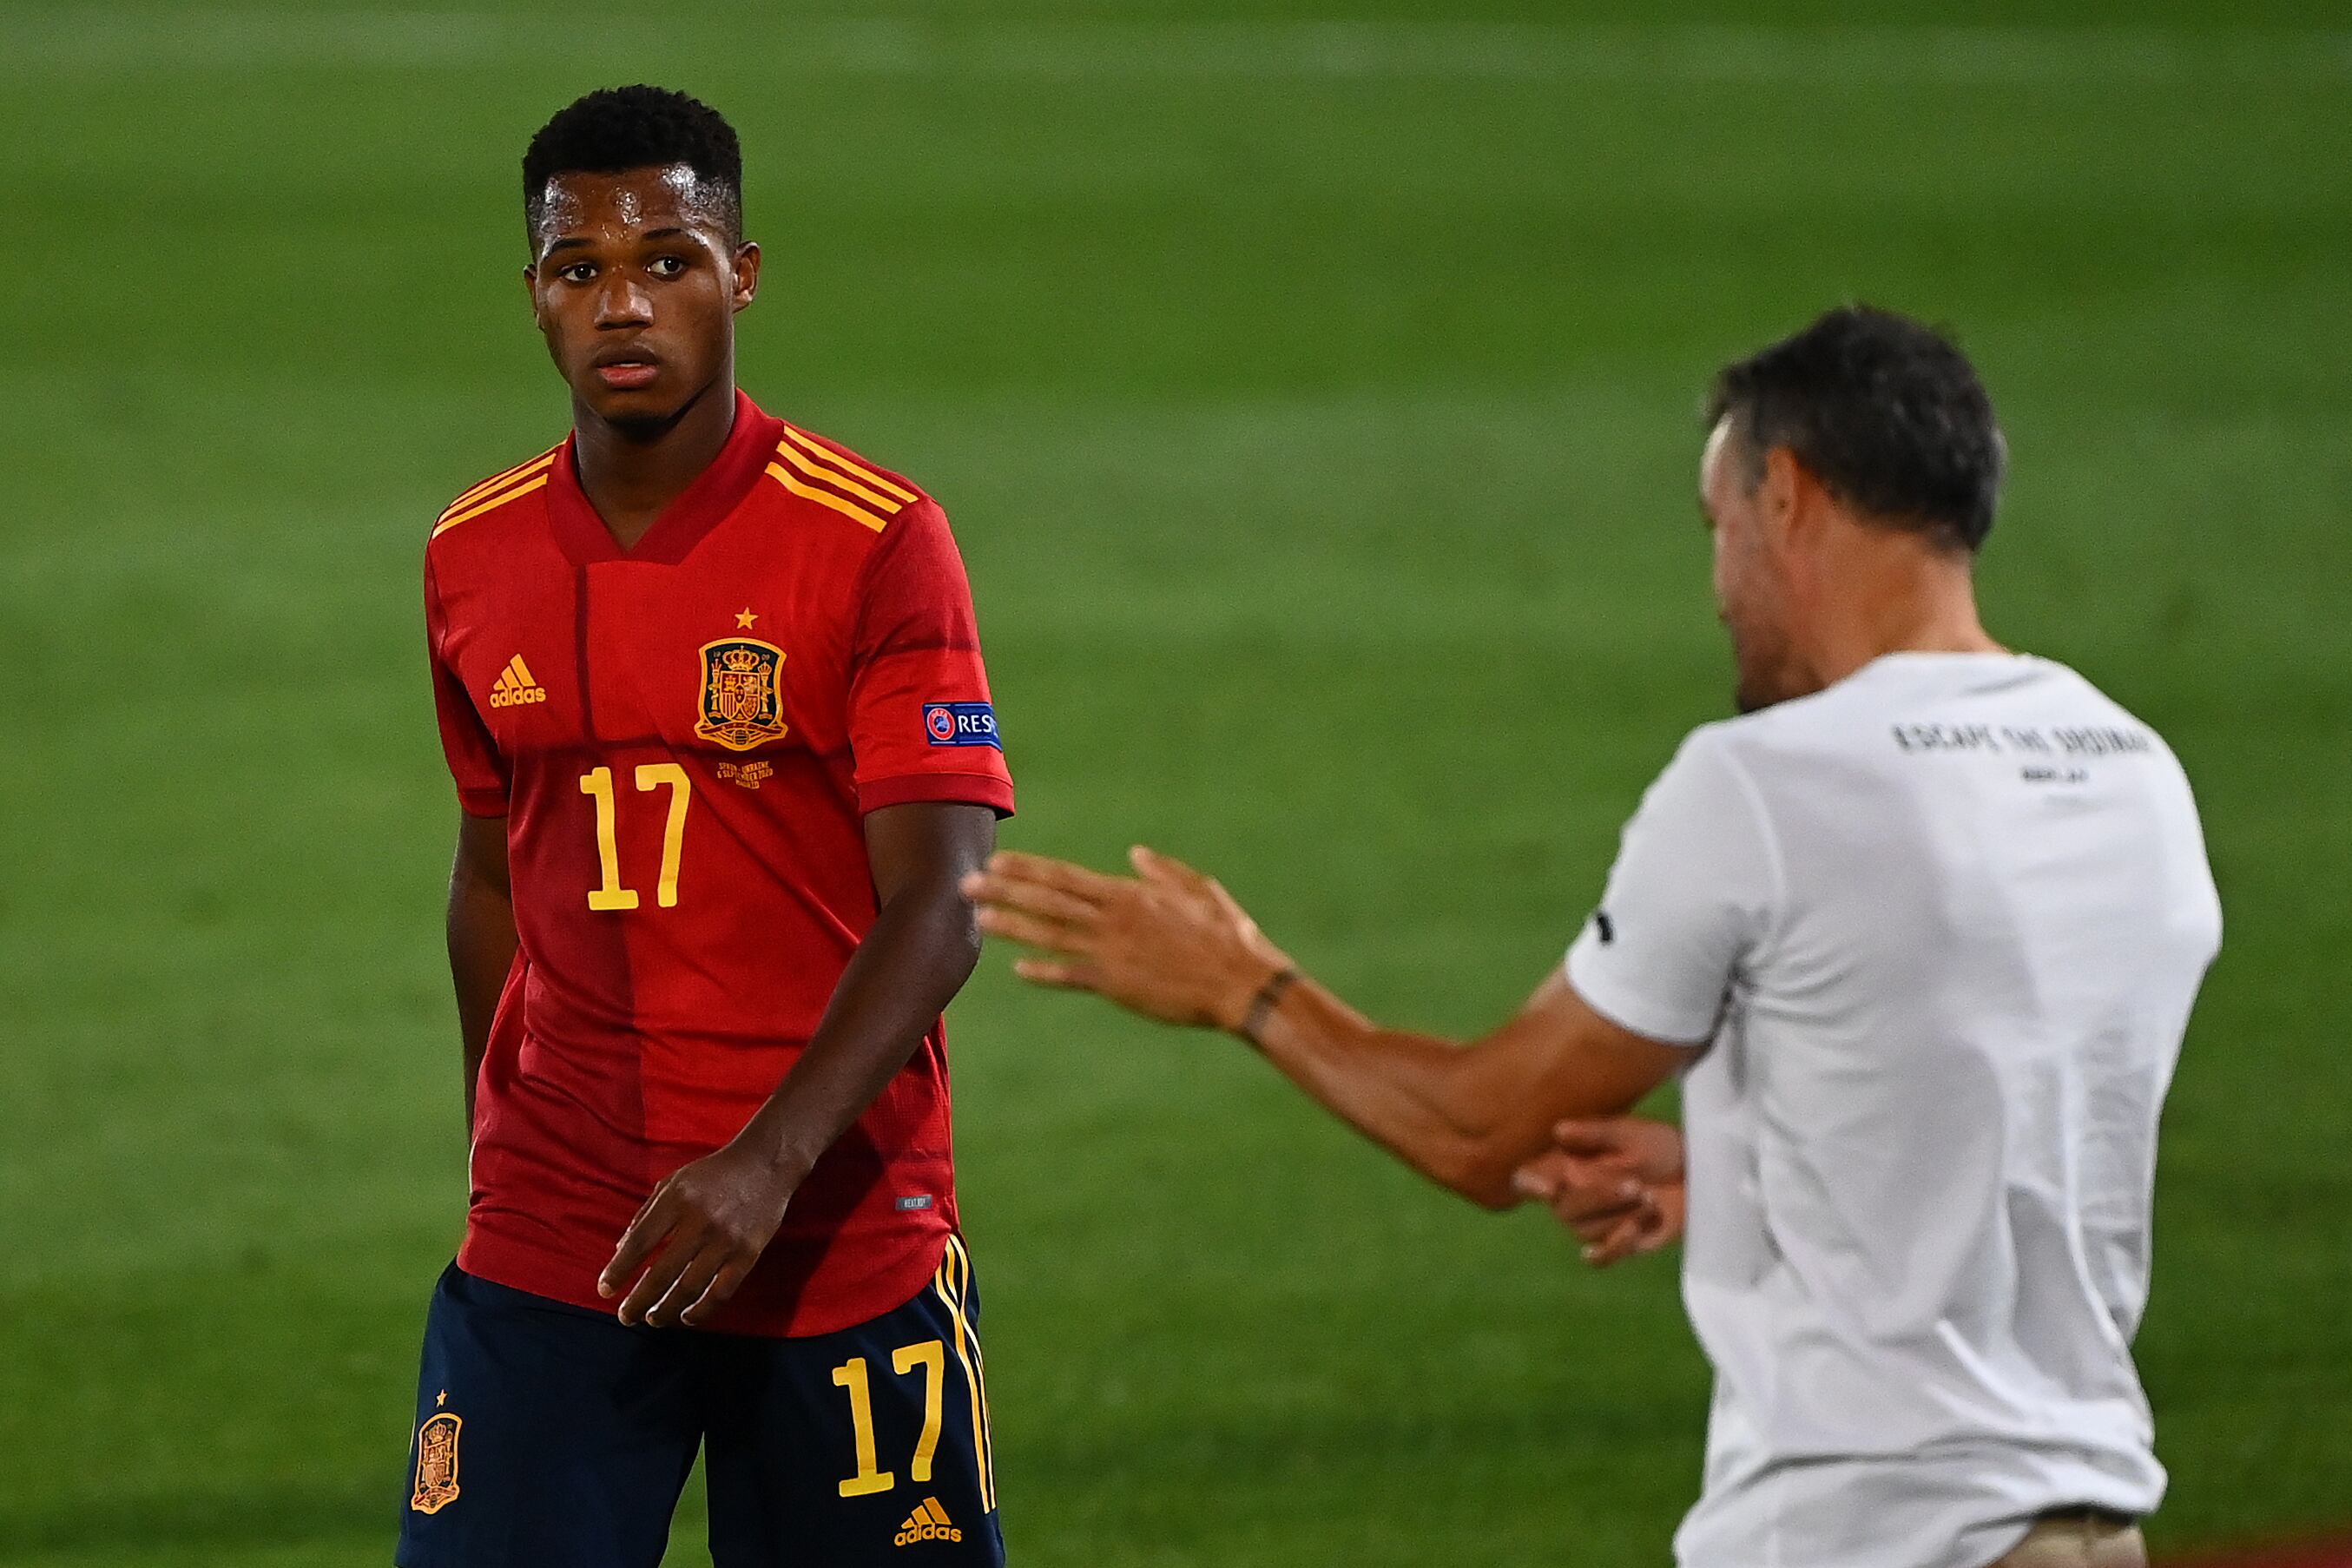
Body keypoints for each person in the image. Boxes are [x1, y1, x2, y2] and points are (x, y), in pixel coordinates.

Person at [966, 306, 2218, 1568]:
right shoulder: (2128, 770)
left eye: (1716, 529)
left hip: (1874, 1536)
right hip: (2086, 1527)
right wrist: (1741, 1176)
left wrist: (1240, 983)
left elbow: (1481, 1127)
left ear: (1785, 495)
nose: (1721, 589)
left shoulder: (1770, 783)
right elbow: (2017, 1100)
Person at [402, 86, 1011, 1567]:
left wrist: (764, 1160)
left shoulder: (872, 538)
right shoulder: (471, 553)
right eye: (579, 268)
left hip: (837, 1230)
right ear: (535, 299)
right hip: (562, 1228)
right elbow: (491, 866)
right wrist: (508, 1136)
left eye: (668, 258)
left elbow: (943, 899)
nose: (625, 303)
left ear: (741, 273)